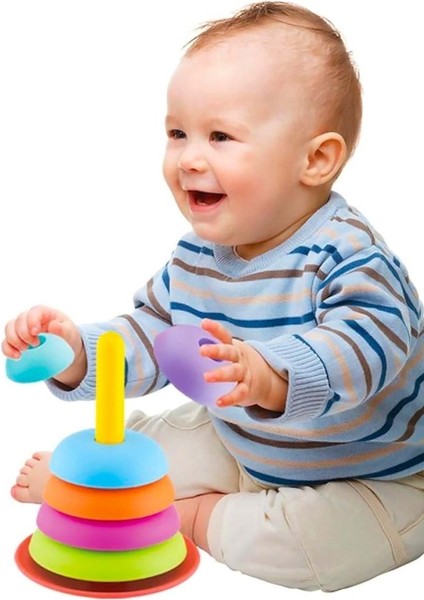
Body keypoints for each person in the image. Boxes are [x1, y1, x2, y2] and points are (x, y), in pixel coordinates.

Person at [4, 1, 424, 592]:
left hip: (376, 471)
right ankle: (90, 486)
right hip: (243, 441)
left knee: (313, 548)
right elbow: (154, 334)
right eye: (178, 133)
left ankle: (188, 518)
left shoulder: (348, 255)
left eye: (220, 136)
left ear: (315, 159)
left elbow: (367, 345)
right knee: (159, 444)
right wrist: (77, 354)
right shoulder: (196, 255)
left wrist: (272, 375)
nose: (189, 158)